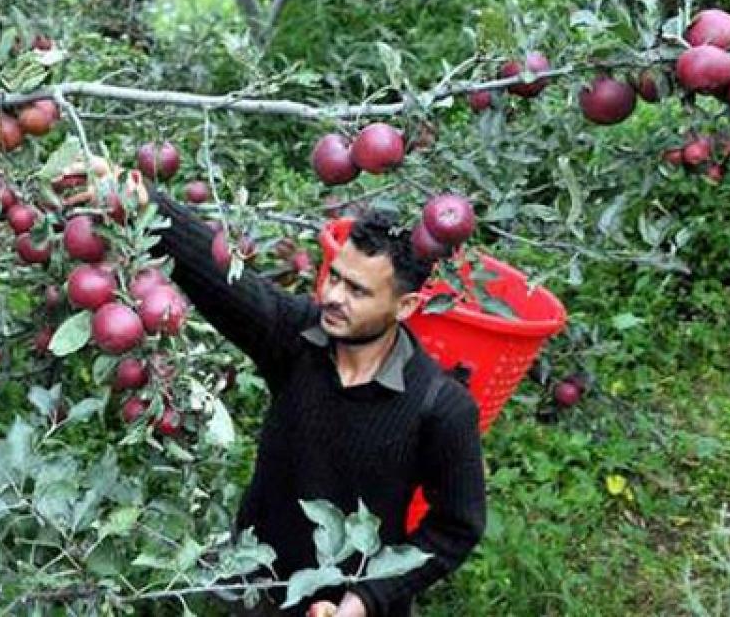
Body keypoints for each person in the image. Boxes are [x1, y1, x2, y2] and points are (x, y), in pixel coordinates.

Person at [61, 158, 487, 617]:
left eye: (357, 291)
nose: (333, 297)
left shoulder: (439, 406)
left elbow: (455, 528)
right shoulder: (297, 340)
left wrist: (366, 599)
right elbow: (224, 281)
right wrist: (146, 203)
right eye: (335, 277)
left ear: (404, 306)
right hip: (254, 587)